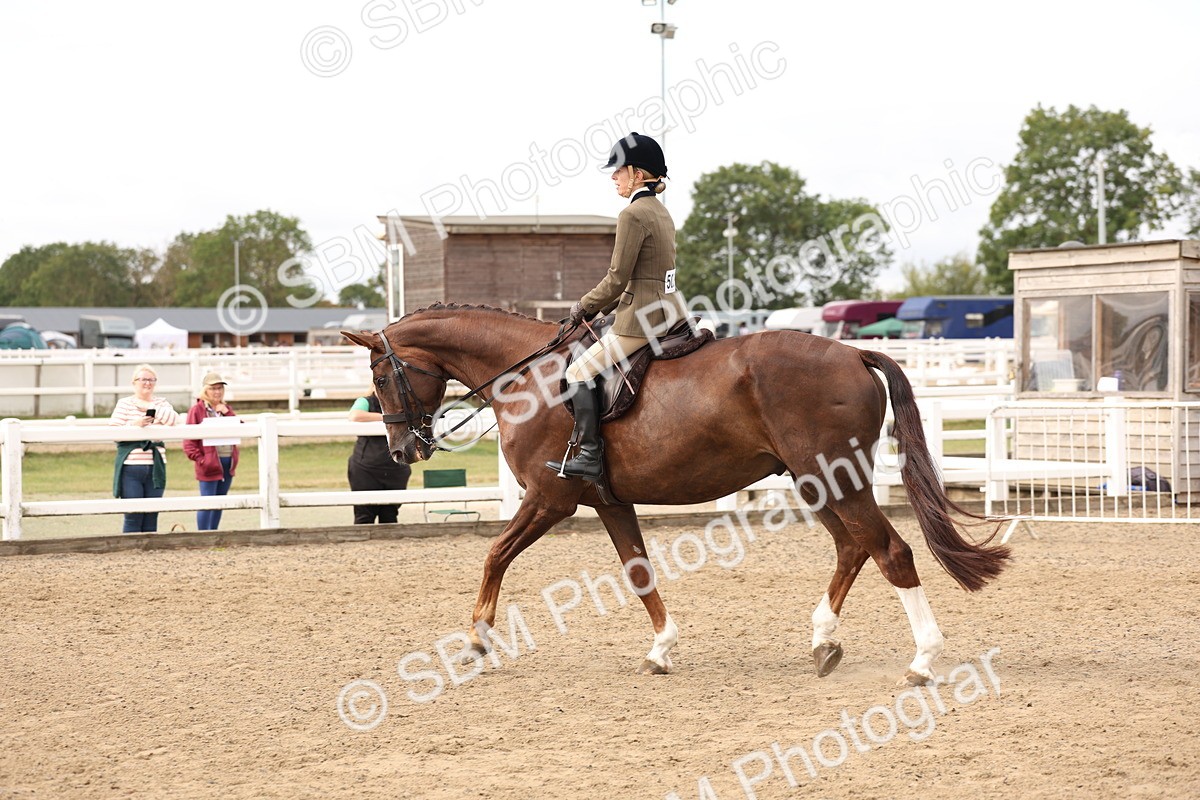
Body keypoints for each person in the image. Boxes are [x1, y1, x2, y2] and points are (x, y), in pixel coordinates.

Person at [546, 131, 687, 481]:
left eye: (619, 170)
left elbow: (617, 278)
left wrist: (585, 306)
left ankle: (591, 455)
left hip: (642, 319)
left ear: (638, 174)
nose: (613, 177)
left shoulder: (633, 214)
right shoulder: (661, 212)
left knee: (578, 372)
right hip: (670, 310)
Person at [109, 364, 180, 533]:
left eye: (151, 380)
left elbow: (174, 419)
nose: (147, 383)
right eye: (143, 379)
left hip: (156, 465)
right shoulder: (124, 403)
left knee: (152, 513)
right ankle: (130, 549)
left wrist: (152, 411)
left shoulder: (162, 403)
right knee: (133, 514)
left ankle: (150, 551)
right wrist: (136, 424)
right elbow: (114, 431)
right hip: (131, 466)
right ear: (134, 382)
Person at [183, 372, 239, 531]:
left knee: (220, 502)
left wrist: (227, 412)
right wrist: (202, 459)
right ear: (205, 390)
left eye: (220, 388)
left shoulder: (226, 409)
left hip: (227, 461)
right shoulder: (197, 410)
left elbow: (239, 427)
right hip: (208, 462)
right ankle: (203, 535)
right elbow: (189, 442)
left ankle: (213, 533)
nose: (217, 392)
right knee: (207, 501)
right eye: (213, 388)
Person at [348, 391, 412, 524]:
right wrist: (387, 417)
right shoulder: (365, 402)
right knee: (364, 515)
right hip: (365, 468)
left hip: (396, 468)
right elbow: (355, 416)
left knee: (390, 515)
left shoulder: (404, 402)